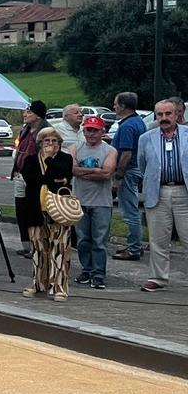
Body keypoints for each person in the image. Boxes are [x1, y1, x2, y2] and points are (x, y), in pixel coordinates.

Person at [135, 100, 188, 293]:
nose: (164, 118)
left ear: (177, 115)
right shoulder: (146, 138)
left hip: (184, 191)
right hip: (158, 191)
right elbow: (141, 165)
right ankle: (157, 278)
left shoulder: (187, 135)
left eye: (168, 114)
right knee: (158, 239)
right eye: (160, 114)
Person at [20, 127, 74, 301]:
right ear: (40, 143)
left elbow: (64, 173)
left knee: (59, 249)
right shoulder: (30, 160)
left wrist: (50, 161)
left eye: (54, 141)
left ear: (59, 144)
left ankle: (59, 286)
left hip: (58, 210)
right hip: (35, 210)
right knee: (38, 249)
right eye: (46, 141)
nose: (50, 144)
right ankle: (38, 283)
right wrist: (54, 179)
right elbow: (30, 178)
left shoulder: (65, 158)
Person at [72, 116, 117, 289]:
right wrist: (95, 171)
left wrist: (83, 172)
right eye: (88, 130)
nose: (91, 134)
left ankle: (98, 274)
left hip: (102, 202)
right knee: (83, 239)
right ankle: (86, 269)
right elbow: (72, 169)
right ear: (84, 131)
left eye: (95, 130)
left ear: (102, 131)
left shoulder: (110, 150)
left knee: (99, 240)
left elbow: (106, 173)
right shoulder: (75, 148)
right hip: (80, 200)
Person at [111, 91, 147, 262]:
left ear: (124, 106)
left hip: (128, 171)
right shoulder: (138, 121)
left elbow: (126, 153)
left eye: (116, 104)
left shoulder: (126, 126)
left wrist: (118, 177)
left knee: (130, 212)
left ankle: (134, 248)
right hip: (137, 169)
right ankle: (135, 245)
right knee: (132, 209)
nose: (114, 107)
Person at [11, 100, 46, 259]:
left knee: (34, 211)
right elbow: (19, 149)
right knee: (21, 210)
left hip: (35, 177)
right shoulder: (25, 129)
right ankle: (26, 244)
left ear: (38, 115)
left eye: (29, 112)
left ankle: (36, 245)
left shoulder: (45, 131)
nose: (25, 115)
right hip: (20, 174)